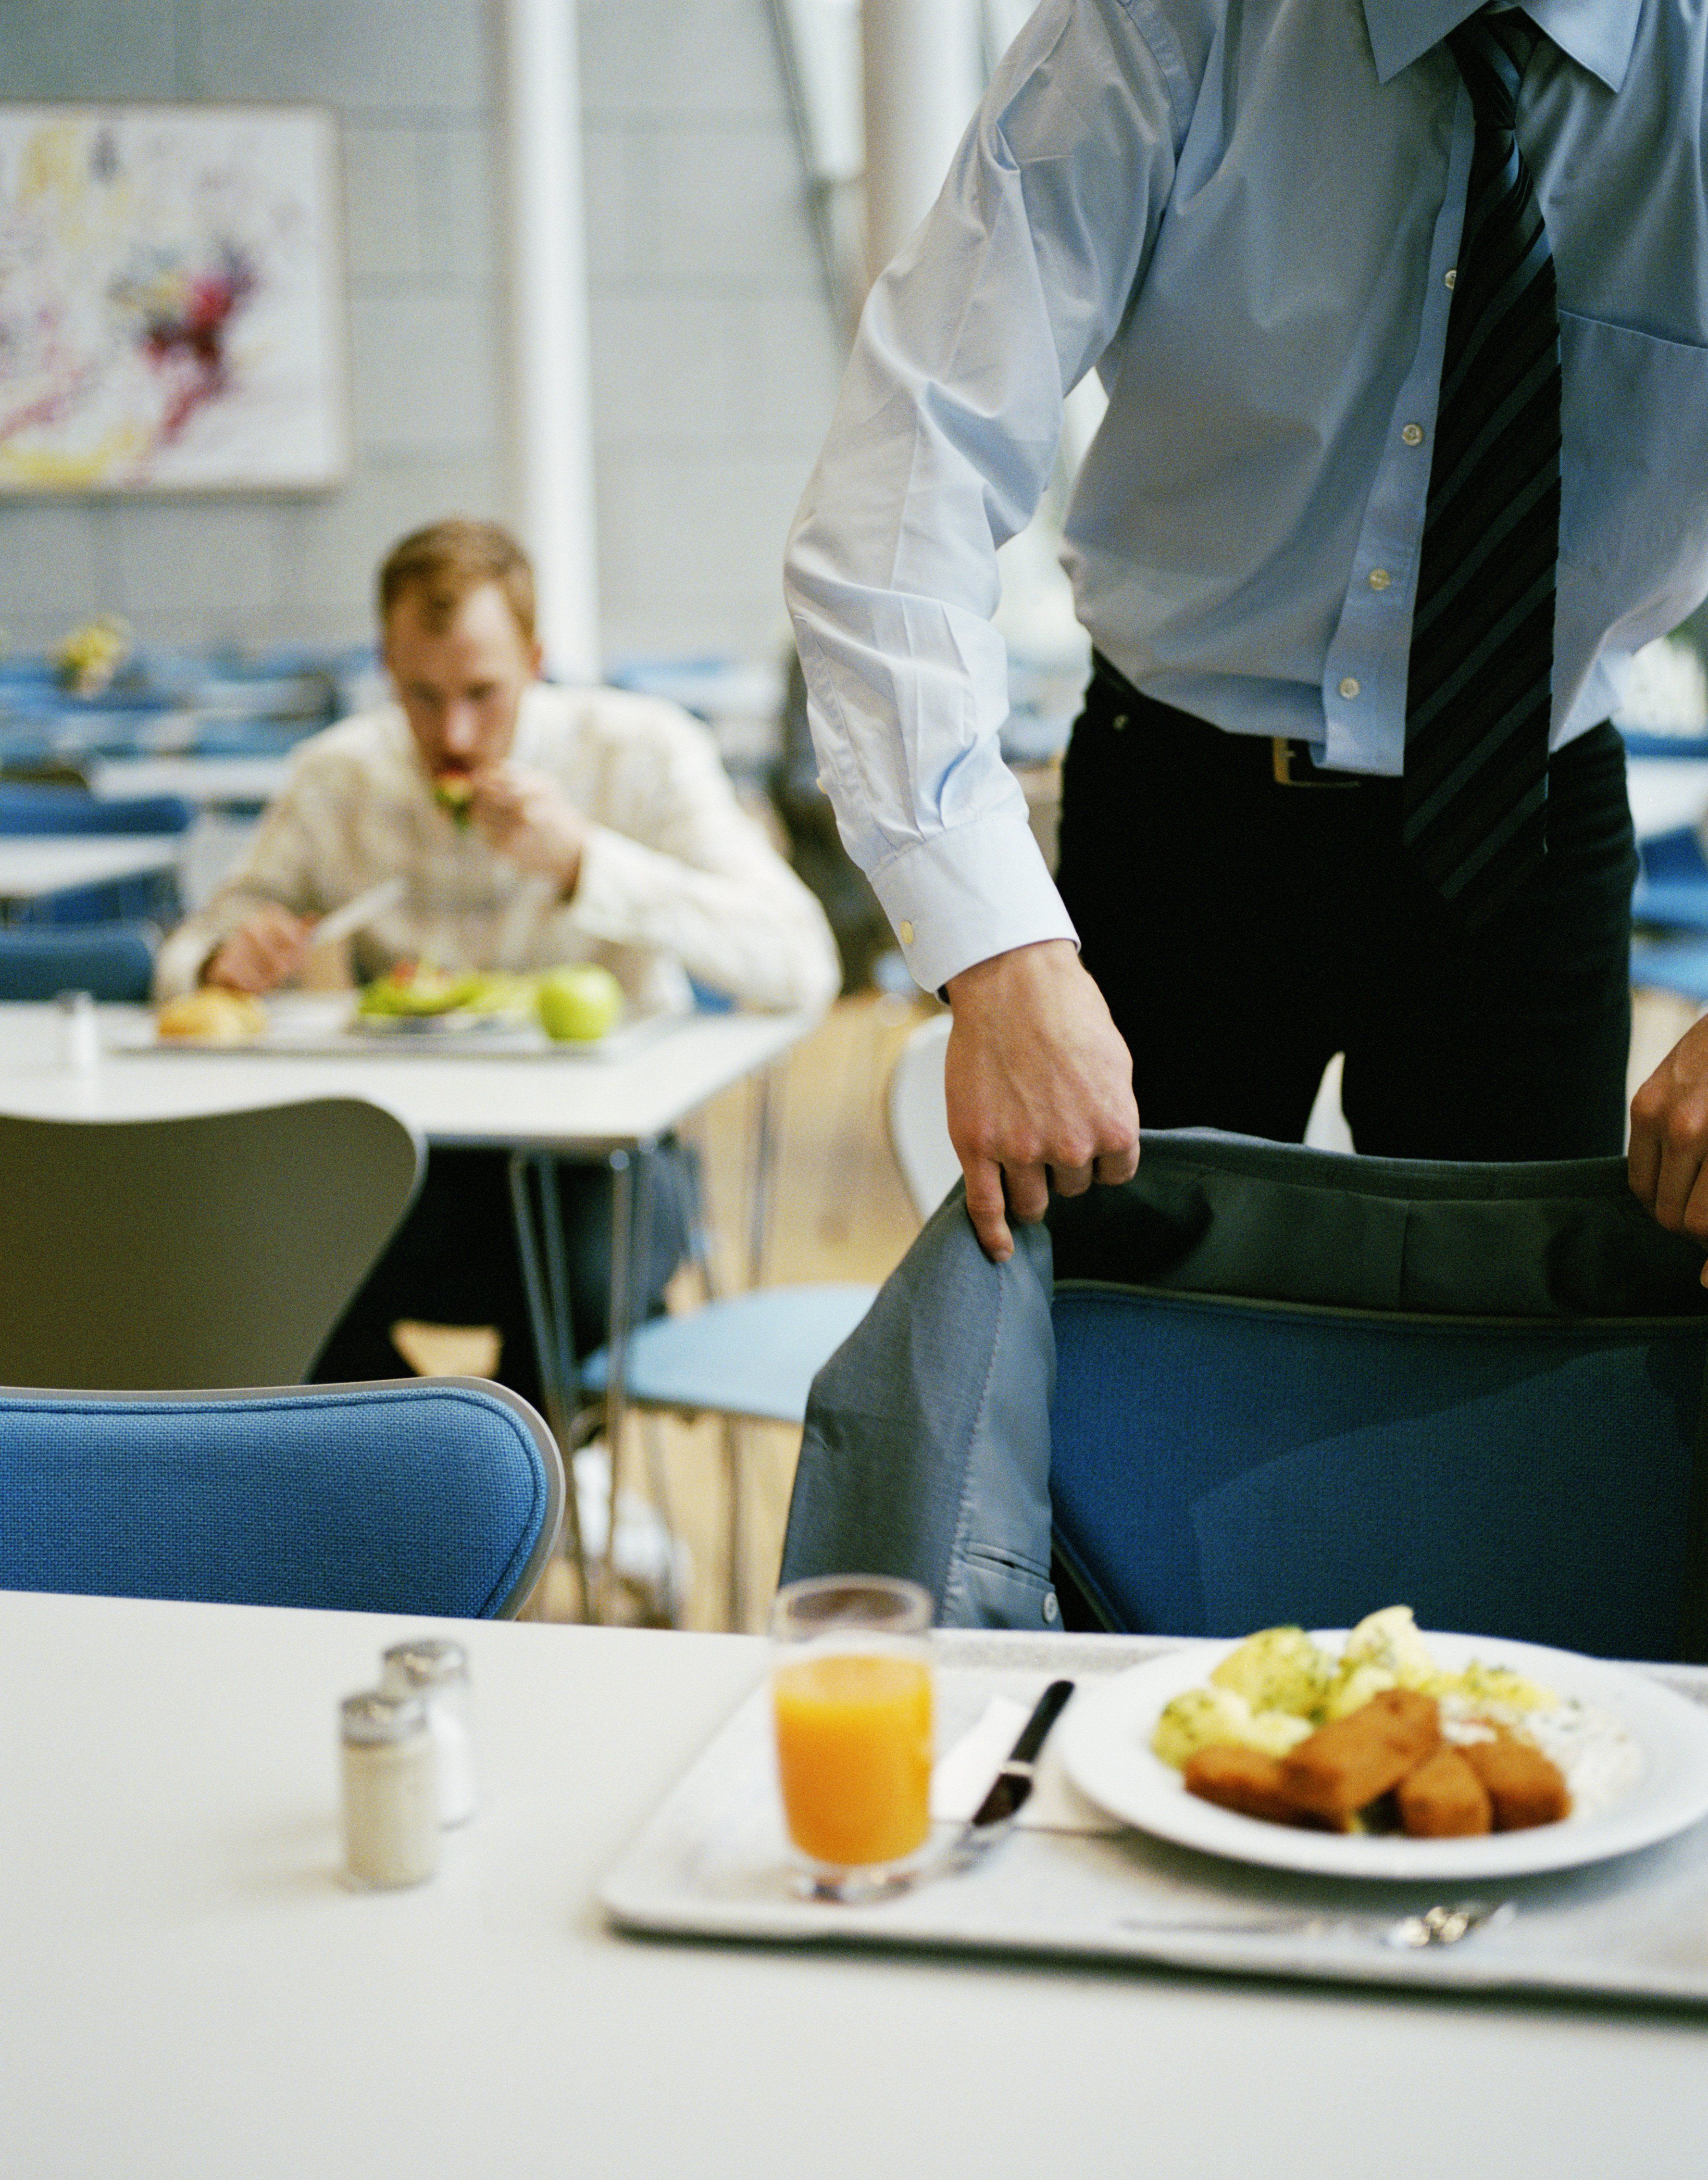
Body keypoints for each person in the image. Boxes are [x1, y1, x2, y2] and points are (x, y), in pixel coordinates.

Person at [785, 0, 1708, 1272]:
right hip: (1182, 823)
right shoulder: (1169, 21)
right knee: (1122, 1387)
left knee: (1501, 1408)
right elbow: (906, 473)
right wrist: (995, 952)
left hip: (1526, 831)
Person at [160, 518, 840, 1397]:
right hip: (399, 1159)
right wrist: (227, 958)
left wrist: (583, 863)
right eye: (420, 696)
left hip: (600, 1166)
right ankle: (414, 1489)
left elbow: (802, 963)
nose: (455, 733)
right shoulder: (339, 775)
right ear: (385, 666)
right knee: (252, 1276)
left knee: (578, 1287)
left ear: (535, 660)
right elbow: (195, 947)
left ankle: (520, 1503)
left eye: (484, 692)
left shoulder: (638, 752)